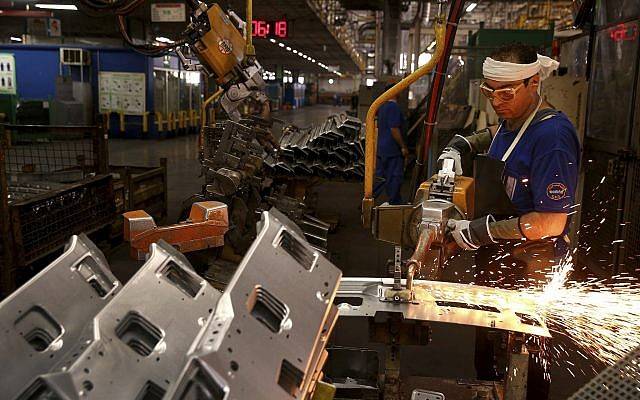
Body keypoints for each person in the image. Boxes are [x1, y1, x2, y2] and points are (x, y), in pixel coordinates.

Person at [439, 44, 581, 399]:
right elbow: (498, 134)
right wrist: (460, 145)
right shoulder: (514, 118)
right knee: (487, 362)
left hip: (531, 268)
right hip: (498, 260)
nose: (496, 102)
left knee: (525, 370)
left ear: (534, 83)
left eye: (505, 93)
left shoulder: (552, 137)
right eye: (489, 92)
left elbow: (551, 222)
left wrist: (478, 231)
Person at [374, 84, 409, 205]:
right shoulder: (394, 107)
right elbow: (394, 129)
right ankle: (395, 205)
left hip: (381, 149)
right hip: (392, 150)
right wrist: (403, 146)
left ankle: (370, 201)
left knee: (380, 178)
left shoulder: (382, 107)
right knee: (394, 178)